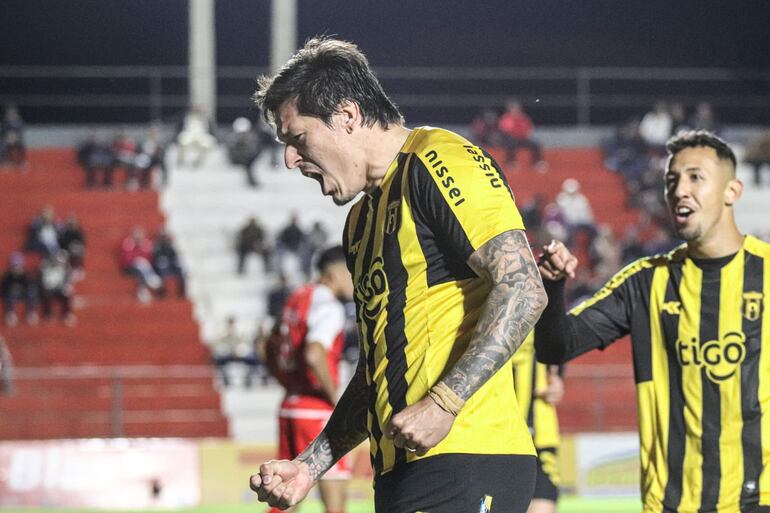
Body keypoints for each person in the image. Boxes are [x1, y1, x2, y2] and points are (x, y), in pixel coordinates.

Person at [249, 36, 547, 513]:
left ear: (346, 116)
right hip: (402, 470)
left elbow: (524, 287)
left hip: (467, 455)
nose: (289, 160)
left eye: (298, 140)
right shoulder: (360, 223)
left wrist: (445, 402)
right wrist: (311, 465)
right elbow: (375, 373)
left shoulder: (439, 159)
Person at [535, 130, 770, 513]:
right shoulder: (645, 282)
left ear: (733, 191)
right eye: (672, 180)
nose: (680, 190)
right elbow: (555, 346)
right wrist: (552, 287)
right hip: (671, 504)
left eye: (696, 177)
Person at [260, 245, 354, 513]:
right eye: (350, 272)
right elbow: (314, 353)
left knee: (283, 498)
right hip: (316, 410)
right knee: (335, 506)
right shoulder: (328, 305)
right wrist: (335, 395)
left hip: (290, 405)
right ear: (335, 273)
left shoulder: (297, 298)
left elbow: (266, 345)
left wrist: (287, 382)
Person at [510, 333, 563, 513]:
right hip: (496, 435)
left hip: (541, 434)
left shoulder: (548, 313)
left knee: (543, 504)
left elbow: (561, 340)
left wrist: (557, 380)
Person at [497, 99, 547, 171]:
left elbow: (528, 128)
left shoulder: (523, 117)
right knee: (511, 144)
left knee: (535, 144)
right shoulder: (506, 118)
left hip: (522, 138)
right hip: (511, 139)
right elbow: (504, 129)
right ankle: (511, 162)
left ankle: (537, 162)